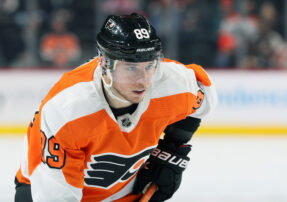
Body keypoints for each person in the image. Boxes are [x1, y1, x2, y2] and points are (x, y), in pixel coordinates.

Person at [14, 13, 217, 202]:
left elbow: (205, 99)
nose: (143, 81)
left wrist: (172, 148)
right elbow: (56, 195)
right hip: (40, 186)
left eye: (149, 65)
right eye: (131, 67)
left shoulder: (173, 85)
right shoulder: (68, 110)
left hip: (123, 194)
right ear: (104, 63)